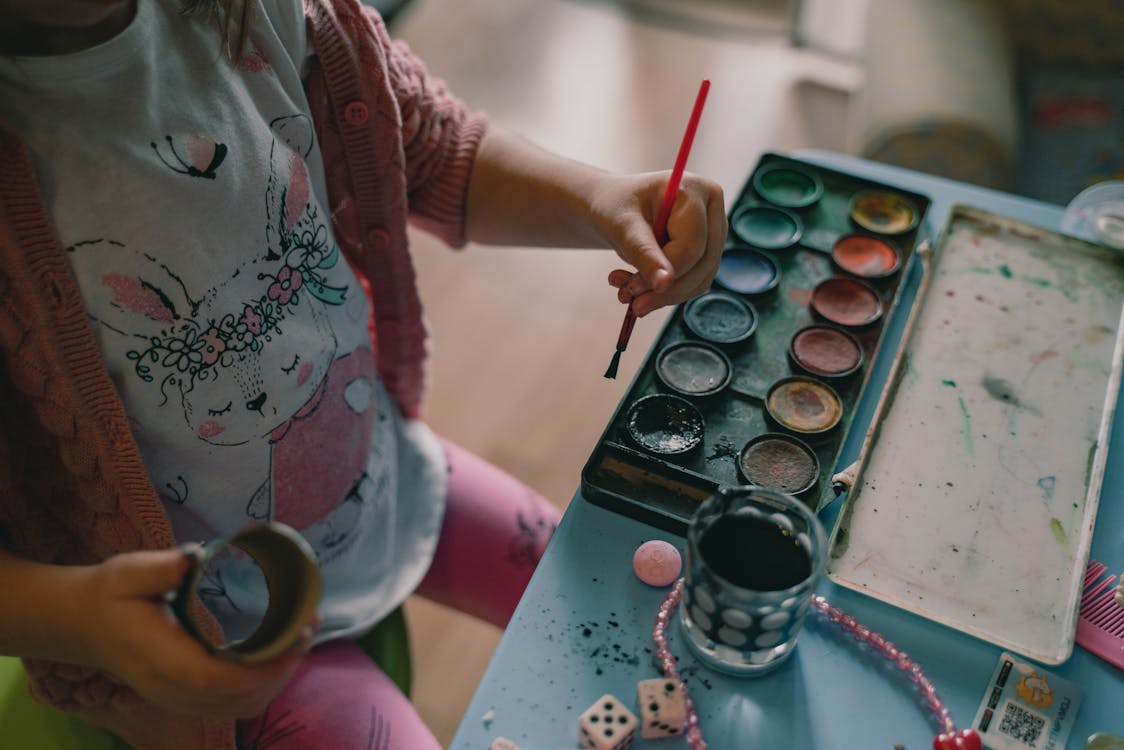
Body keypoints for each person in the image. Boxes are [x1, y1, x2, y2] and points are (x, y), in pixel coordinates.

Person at [0, 0, 727, 747]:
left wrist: (602, 201)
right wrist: (84, 618)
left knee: (653, 611)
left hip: (387, 479)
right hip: (214, 631)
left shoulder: (264, 15)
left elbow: (434, 152)